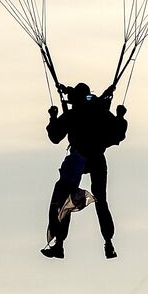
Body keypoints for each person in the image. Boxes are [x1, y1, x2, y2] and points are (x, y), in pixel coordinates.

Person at [41, 82, 127, 260]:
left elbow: (55, 137)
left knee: (66, 200)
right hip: (95, 158)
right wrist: (120, 116)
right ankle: (108, 242)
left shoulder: (73, 114)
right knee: (101, 200)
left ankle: (60, 244)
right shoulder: (99, 111)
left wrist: (53, 117)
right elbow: (118, 133)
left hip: (79, 158)